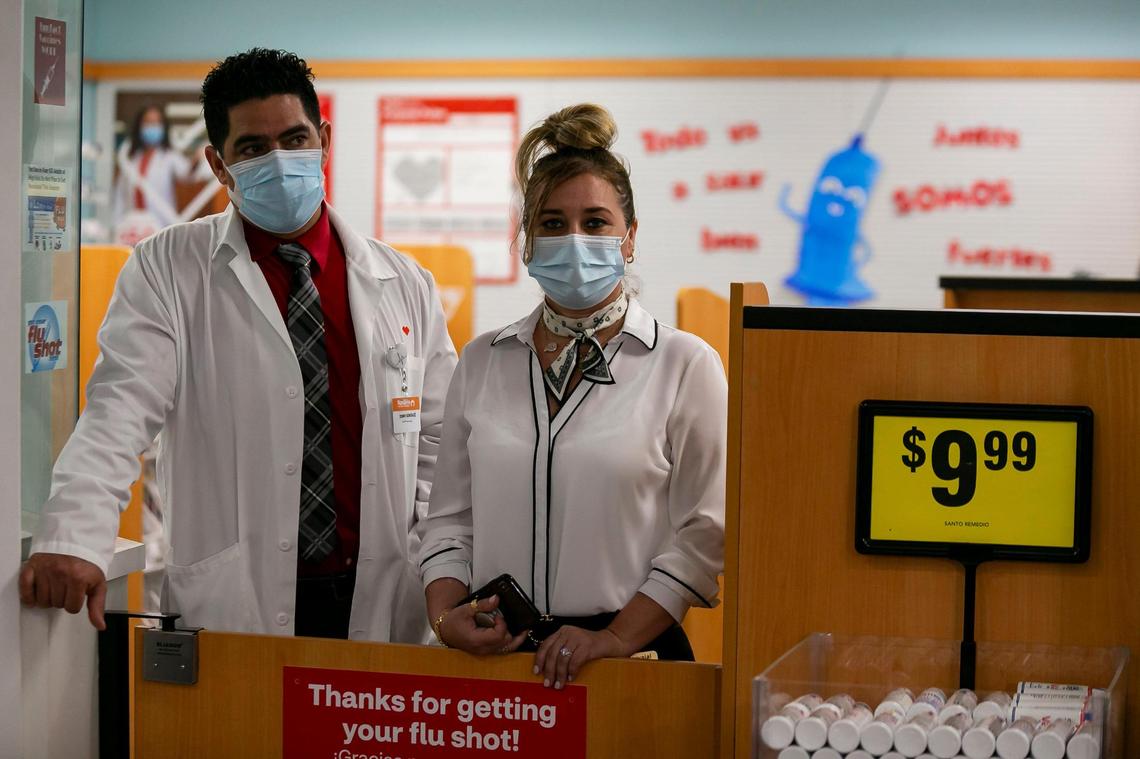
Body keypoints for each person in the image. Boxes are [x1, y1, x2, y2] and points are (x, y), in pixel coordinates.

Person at [19, 48, 457, 643]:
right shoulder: (168, 268)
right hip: (238, 596)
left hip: (383, 592)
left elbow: (441, 440)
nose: (280, 161)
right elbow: (119, 412)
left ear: (324, 139)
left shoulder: (404, 283)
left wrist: (436, 558)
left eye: (296, 139)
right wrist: (73, 533)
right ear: (218, 164)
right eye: (253, 148)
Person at [418, 104, 726, 688]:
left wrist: (614, 637)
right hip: (494, 663)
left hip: (630, 662)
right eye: (553, 224)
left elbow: (705, 534)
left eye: (596, 222)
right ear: (527, 241)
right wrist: (445, 615)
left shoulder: (685, 364)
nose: (574, 239)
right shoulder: (483, 360)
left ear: (629, 237)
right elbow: (449, 521)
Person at [110, 103, 194, 231]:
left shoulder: (169, 156)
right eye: (148, 123)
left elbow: (187, 174)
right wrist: (117, 225)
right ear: (139, 127)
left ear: (163, 127)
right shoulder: (130, 159)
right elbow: (120, 197)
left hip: (161, 225)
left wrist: (197, 160)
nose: (152, 127)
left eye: (156, 123)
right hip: (131, 228)